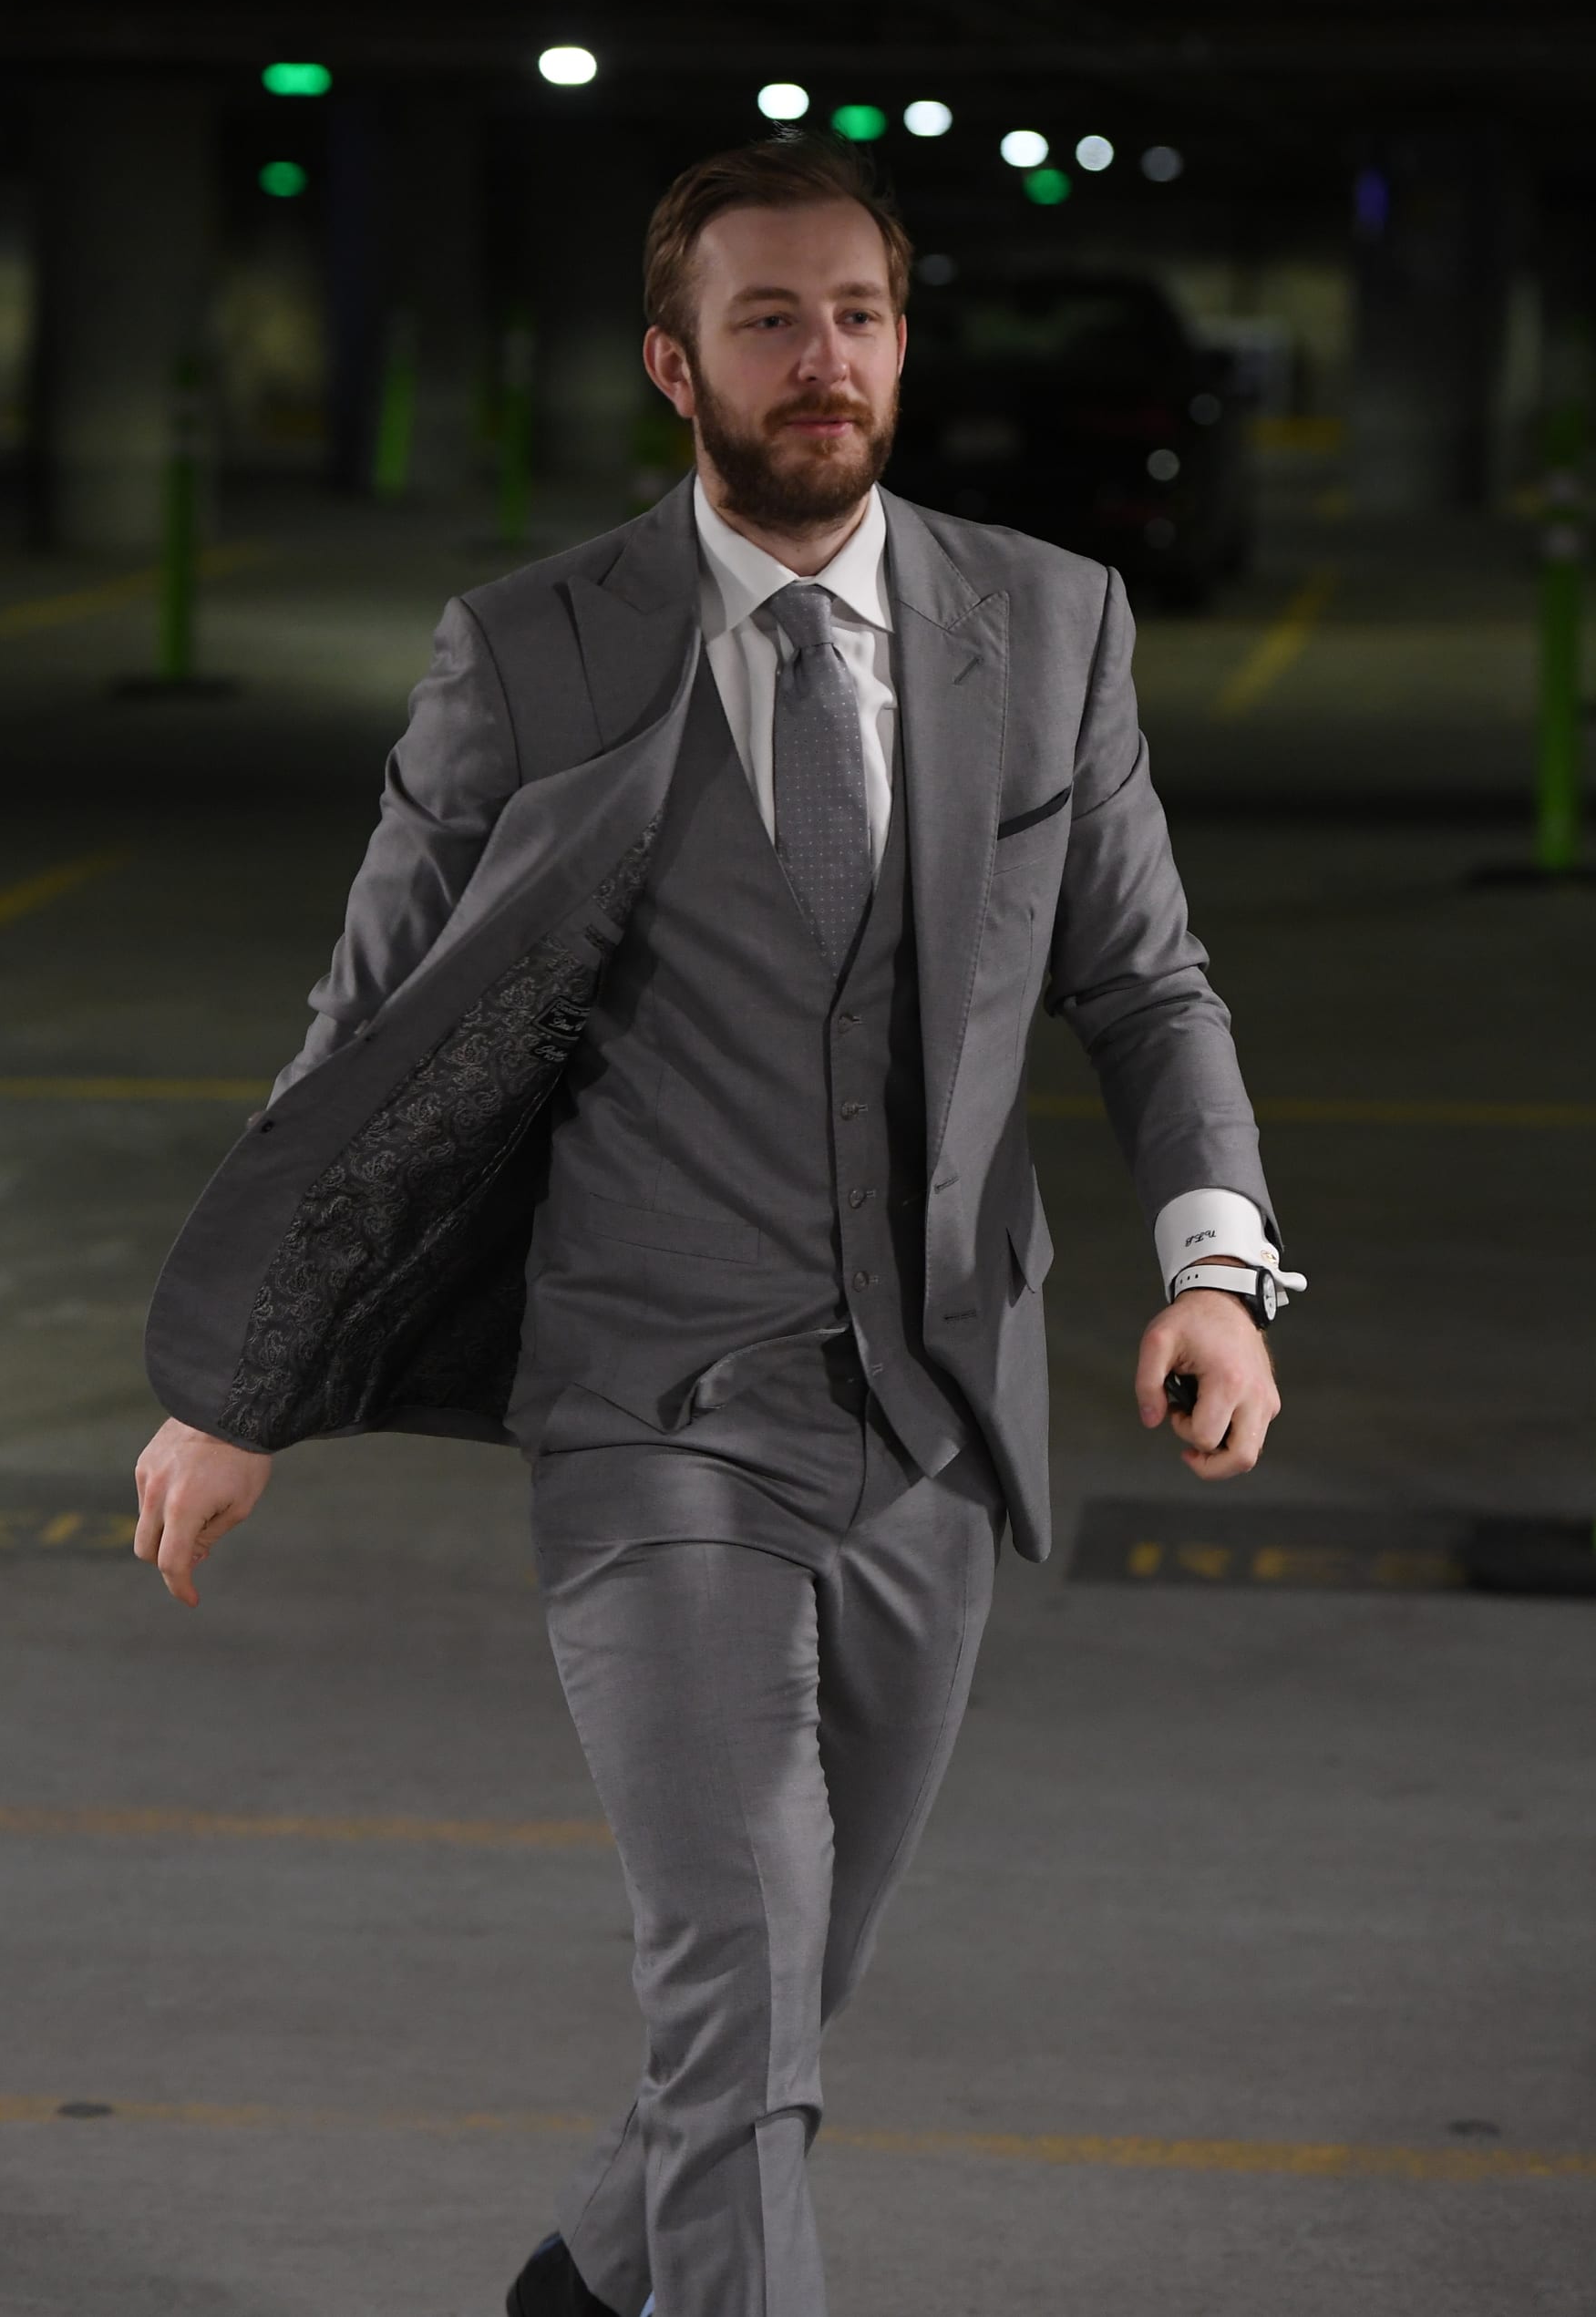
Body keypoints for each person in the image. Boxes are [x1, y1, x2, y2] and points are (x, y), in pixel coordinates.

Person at [134, 131, 1304, 2317]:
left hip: (932, 1413)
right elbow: (367, 1035)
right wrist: (237, 1388)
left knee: (796, 1969)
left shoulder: (1050, 624)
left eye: (858, 315)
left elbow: (1148, 983)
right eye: (769, 321)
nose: (823, 359)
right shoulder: (532, 653)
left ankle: (587, 2286)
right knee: (739, 1958)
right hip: (652, 1408)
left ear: (901, 344)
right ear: (677, 367)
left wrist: (1214, 1271)